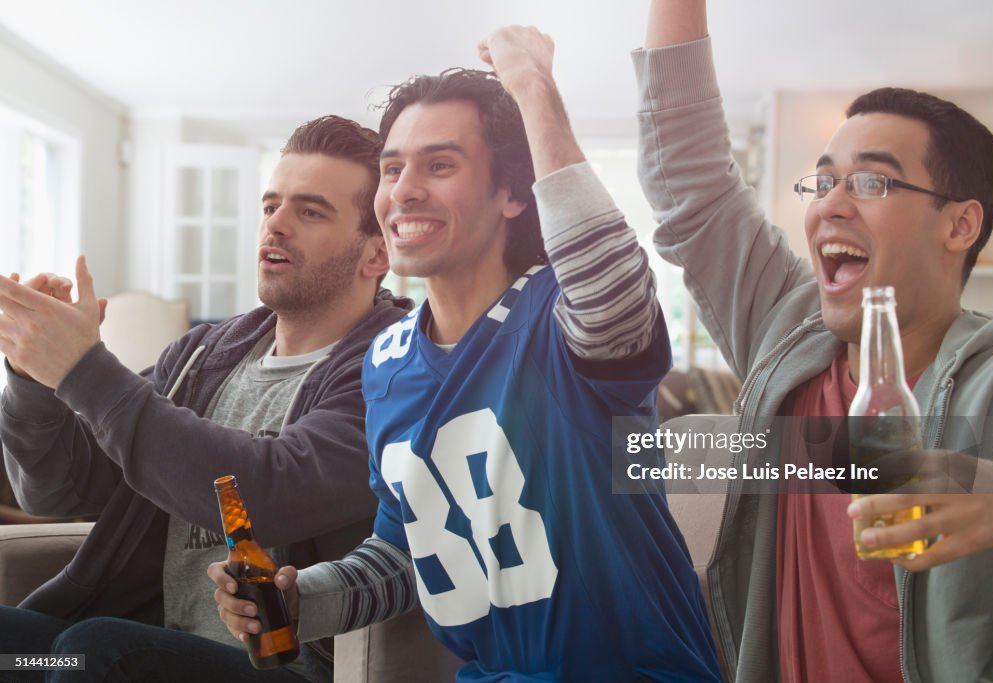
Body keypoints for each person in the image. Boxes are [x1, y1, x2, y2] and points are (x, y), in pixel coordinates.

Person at [213, 26, 722, 682]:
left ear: (513, 194)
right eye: (393, 168)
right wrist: (300, 599)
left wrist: (533, 90)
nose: (404, 189)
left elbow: (612, 286)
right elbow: (406, 548)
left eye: (440, 164)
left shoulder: (558, 314)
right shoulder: (386, 363)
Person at [636, 1, 993, 682]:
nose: (829, 204)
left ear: (960, 225)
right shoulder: (787, 327)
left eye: (871, 181)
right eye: (824, 180)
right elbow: (691, 186)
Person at [0, 115, 427, 682]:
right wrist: (34, 377)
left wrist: (82, 368)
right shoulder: (202, 356)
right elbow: (56, 491)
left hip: (285, 669)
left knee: (100, 650)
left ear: (376, 254)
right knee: (23, 654)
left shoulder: (393, 369)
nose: (275, 225)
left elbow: (269, 489)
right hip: (151, 651)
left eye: (310, 211)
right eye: (271, 205)